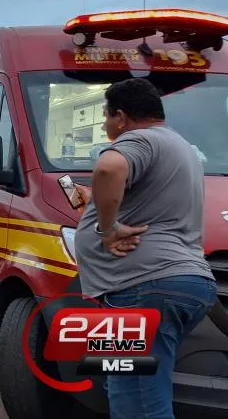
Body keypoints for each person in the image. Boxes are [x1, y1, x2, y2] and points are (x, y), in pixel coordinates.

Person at [71, 78, 217, 419]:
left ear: (121, 117)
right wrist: (96, 204)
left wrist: (107, 229)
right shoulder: (180, 146)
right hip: (178, 283)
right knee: (128, 388)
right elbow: (149, 203)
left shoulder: (139, 139)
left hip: (142, 286)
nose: (105, 125)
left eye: (106, 116)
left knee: (138, 402)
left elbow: (109, 168)